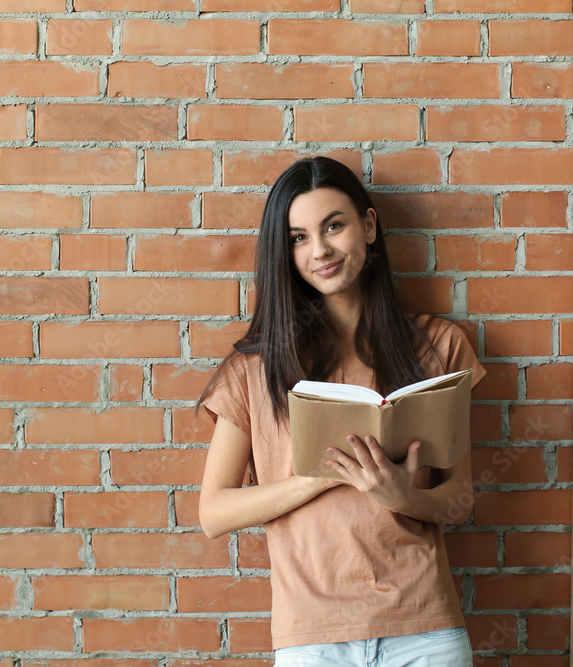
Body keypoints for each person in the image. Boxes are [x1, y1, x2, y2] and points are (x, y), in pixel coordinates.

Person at [196, 156, 487, 666]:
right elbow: (213, 513)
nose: (320, 250)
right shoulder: (254, 369)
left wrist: (401, 496)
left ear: (368, 226)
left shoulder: (440, 346)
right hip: (313, 639)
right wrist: (318, 478)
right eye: (298, 238)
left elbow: (459, 500)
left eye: (334, 226)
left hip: (423, 631)